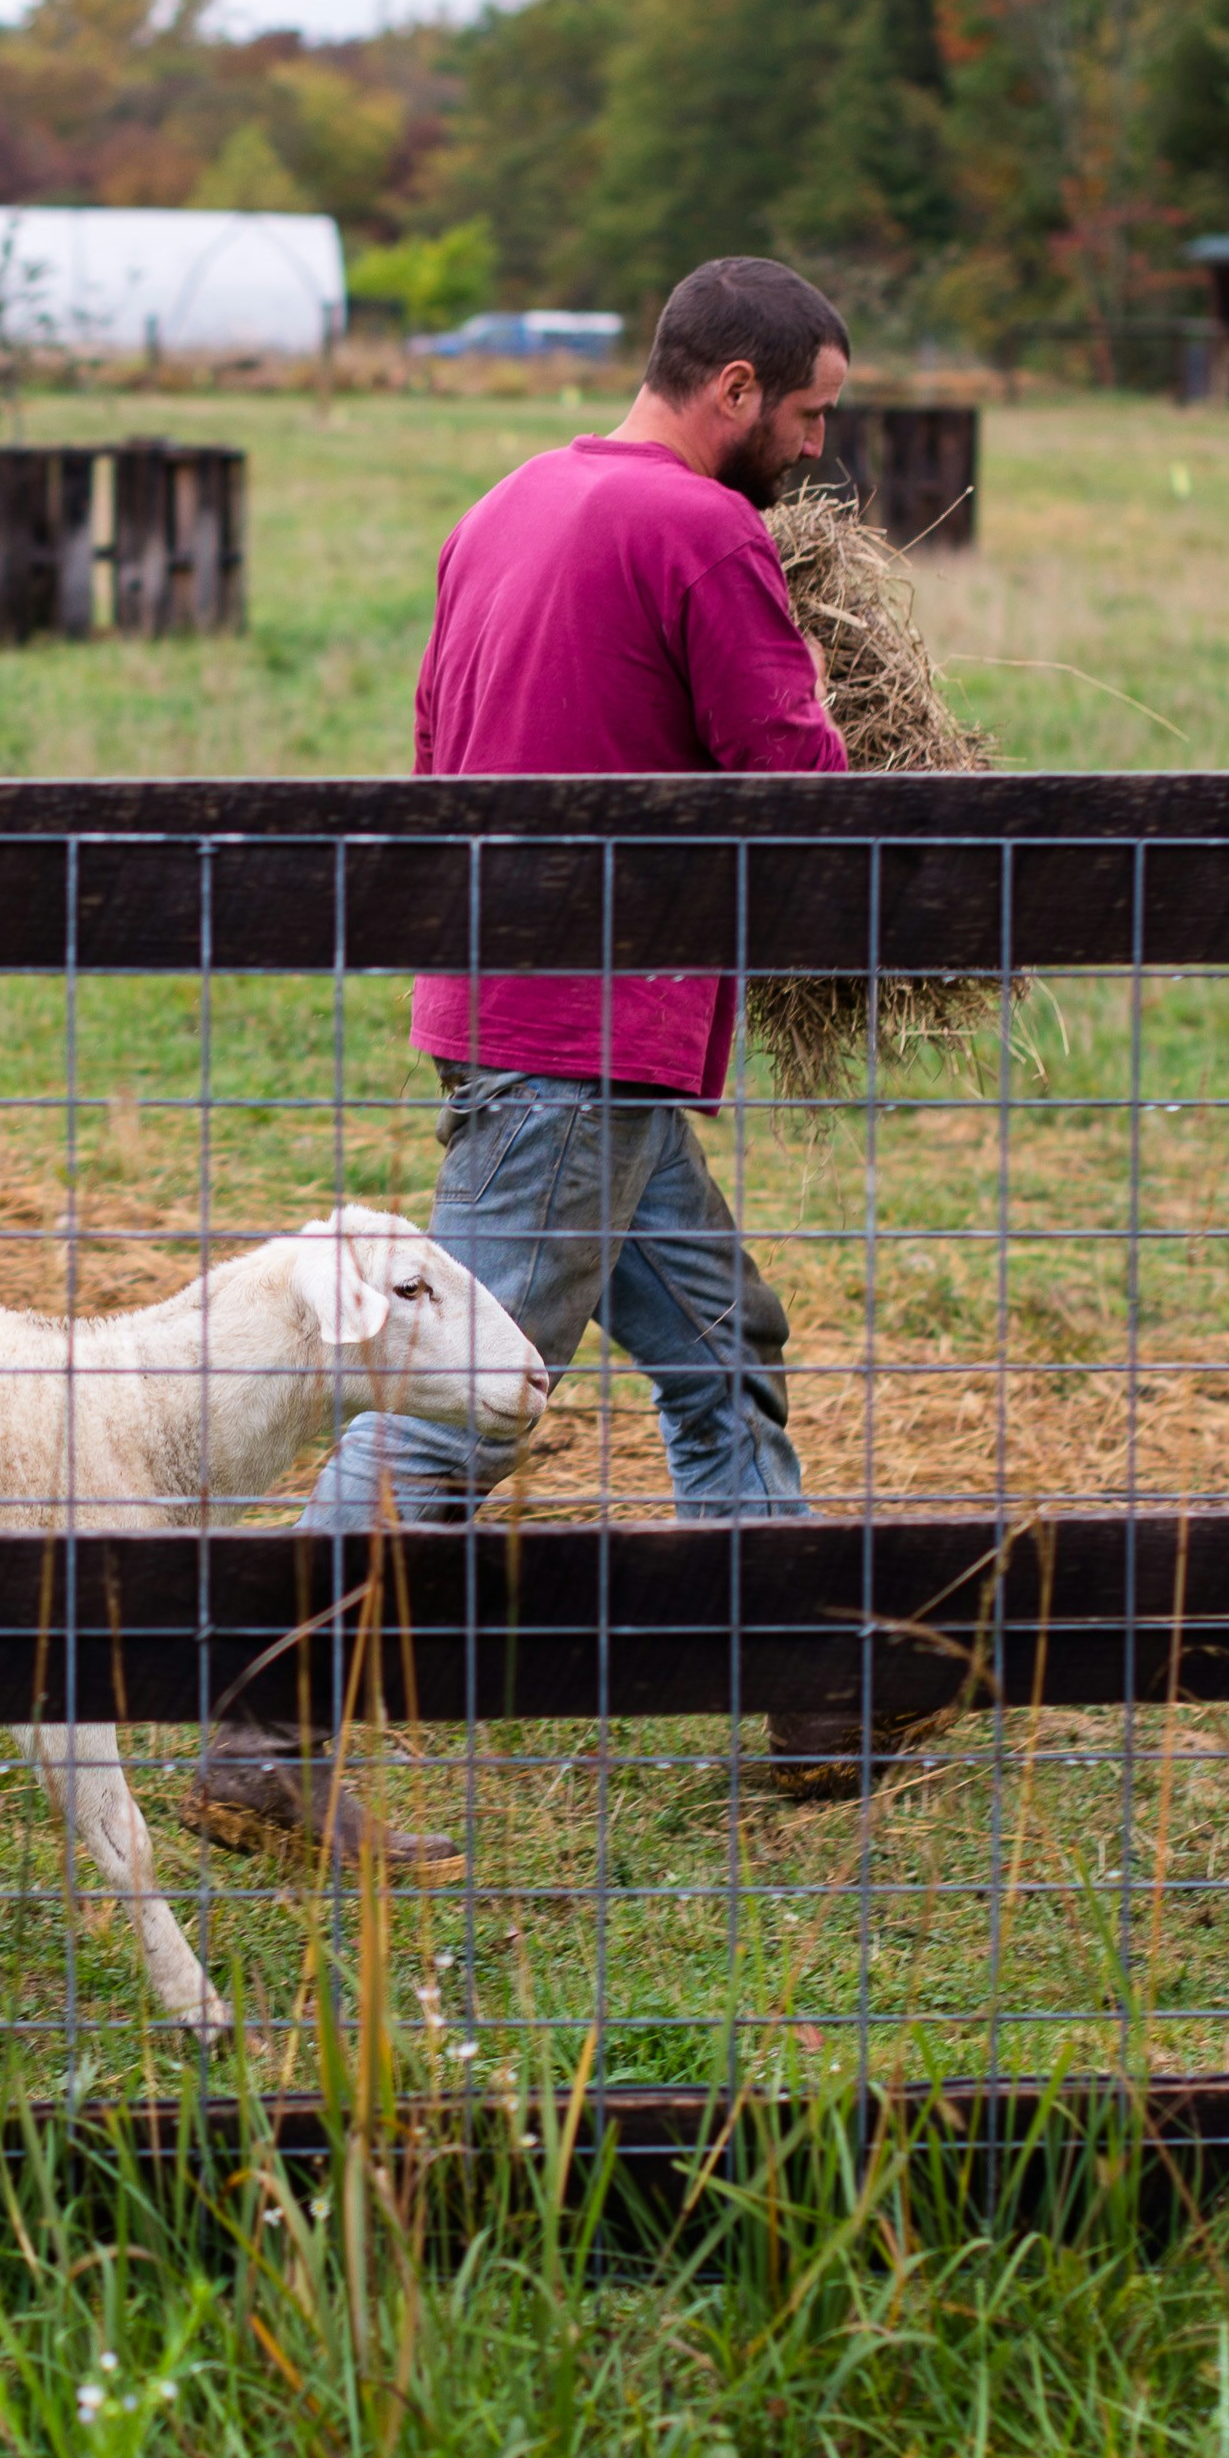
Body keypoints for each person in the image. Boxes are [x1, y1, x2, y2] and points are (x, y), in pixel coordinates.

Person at [182, 255, 866, 1881]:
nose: (822, 455)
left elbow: (432, 751)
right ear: (737, 395)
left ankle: (804, 1680)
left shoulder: (504, 506)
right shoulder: (703, 530)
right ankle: (257, 1729)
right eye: (815, 416)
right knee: (456, 1410)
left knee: (719, 1342)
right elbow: (793, 775)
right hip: (588, 1031)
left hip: (511, 1005)